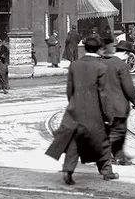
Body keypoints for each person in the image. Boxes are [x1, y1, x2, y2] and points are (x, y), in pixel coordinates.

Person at [45, 32, 117, 183]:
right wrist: (109, 116)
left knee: (74, 142)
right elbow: (104, 95)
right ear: (98, 49)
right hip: (94, 113)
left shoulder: (75, 66)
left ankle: (68, 170)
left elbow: (69, 90)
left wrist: (74, 105)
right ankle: (107, 171)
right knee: (102, 142)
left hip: (75, 111)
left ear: (84, 48)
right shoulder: (101, 67)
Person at [101, 39, 135, 166]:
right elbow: (128, 87)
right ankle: (115, 156)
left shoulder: (103, 62)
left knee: (111, 130)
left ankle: (118, 156)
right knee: (119, 132)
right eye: (128, 55)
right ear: (126, 53)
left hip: (104, 106)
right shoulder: (121, 65)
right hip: (119, 106)